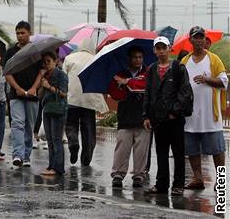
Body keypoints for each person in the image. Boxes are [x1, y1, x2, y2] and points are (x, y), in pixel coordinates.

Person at [143, 36, 193, 196]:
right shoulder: (151, 69)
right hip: (158, 119)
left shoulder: (179, 68)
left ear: (169, 48)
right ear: (154, 50)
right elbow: (148, 94)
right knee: (161, 153)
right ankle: (161, 184)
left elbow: (185, 92)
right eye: (158, 48)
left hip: (175, 119)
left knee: (178, 152)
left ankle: (178, 185)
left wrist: (174, 112)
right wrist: (146, 116)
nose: (161, 51)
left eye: (163, 47)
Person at [180, 26, 227, 191]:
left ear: (205, 40)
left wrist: (207, 79)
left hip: (210, 117)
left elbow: (224, 82)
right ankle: (198, 178)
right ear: (190, 40)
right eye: (196, 37)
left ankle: (220, 181)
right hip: (190, 117)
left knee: (217, 150)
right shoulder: (184, 62)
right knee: (192, 149)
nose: (199, 40)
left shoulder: (213, 59)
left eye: (202, 38)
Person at [108, 46, 150, 188]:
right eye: (135, 57)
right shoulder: (119, 74)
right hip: (125, 117)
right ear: (129, 59)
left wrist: (127, 83)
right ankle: (118, 174)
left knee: (141, 150)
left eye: (140, 57)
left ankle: (139, 175)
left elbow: (145, 86)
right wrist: (123, 88)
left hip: (143, 117)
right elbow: (115, 94)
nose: (138, 60)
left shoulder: (148, 72)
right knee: (122, 148)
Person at [63, 38, 108, 166]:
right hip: (90, 99)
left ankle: (73, 143)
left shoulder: (70, 58)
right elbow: (102, 79)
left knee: (71, 124)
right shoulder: (97, 59)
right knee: (88, 128)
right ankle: (86, 157)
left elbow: (64, 78)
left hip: (72, 98)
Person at [4, 21, 41, 168]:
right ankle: (17, 155)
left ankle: (26, 156)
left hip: (32, 96)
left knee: (29, 126)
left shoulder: (36, 51)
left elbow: (41, 72)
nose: (20, 36)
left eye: (22, 33)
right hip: (15, 95)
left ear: (29, 33)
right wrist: (17, 88)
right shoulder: (10, 52)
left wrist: (34, 88)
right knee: (17, 124)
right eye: (17, 33)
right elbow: (7, 72)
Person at [39, 51, 69, 176]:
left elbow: (64, 93)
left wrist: (48, 86)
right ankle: (51, 165)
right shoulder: (45, 75)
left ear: (55, 61)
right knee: (50, 140)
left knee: (57, 139)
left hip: (58, 110)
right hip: (47, 109)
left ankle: (58, 168)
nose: (47, 64)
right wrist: (41, 84)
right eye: (44, 62)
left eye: (49, 61)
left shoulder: (61, 74)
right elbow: (40, 95)